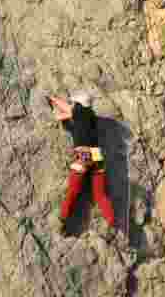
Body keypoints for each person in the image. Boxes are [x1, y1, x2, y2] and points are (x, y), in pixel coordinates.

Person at [48, 92, 116, 233]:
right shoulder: (91, 116)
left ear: (78, 104)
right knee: (100, 194)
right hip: (97, 155)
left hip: (85, 153)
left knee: (73, 190)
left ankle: (62, 221)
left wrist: (52, 99)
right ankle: (111, 220)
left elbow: (64, 110)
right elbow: (67, 113)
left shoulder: (79, 111)